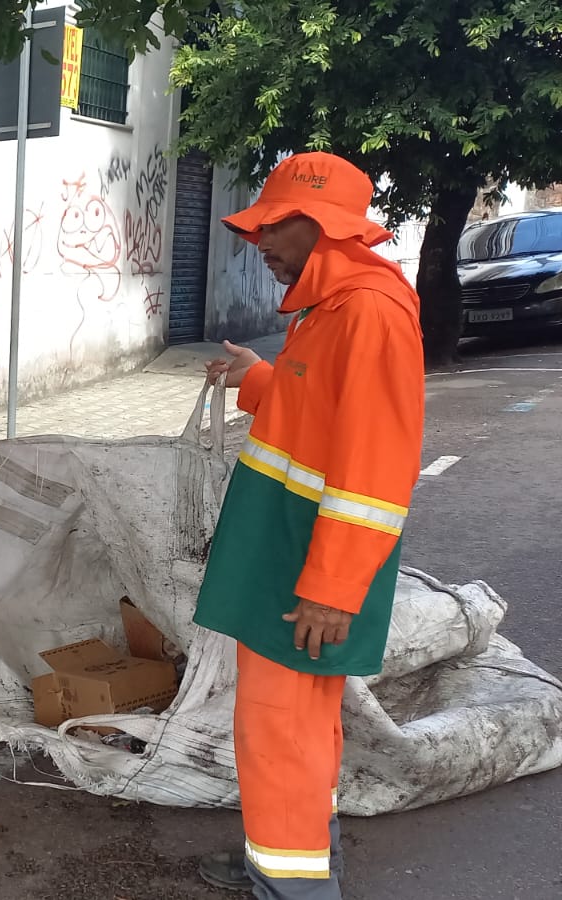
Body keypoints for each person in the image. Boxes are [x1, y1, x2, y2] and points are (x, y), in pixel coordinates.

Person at [193, 153, 425, 898]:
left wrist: (332, 586)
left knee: (279, 730)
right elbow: (319, 418)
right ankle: (290, 856)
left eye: (273, 224)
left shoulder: (368, 313)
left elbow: (376, 469)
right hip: (288, 553)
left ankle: (291, 885)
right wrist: (255, 378)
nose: (259, 239)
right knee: (297, 728)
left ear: (320, 223)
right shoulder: (327, 306)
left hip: (308, 566)